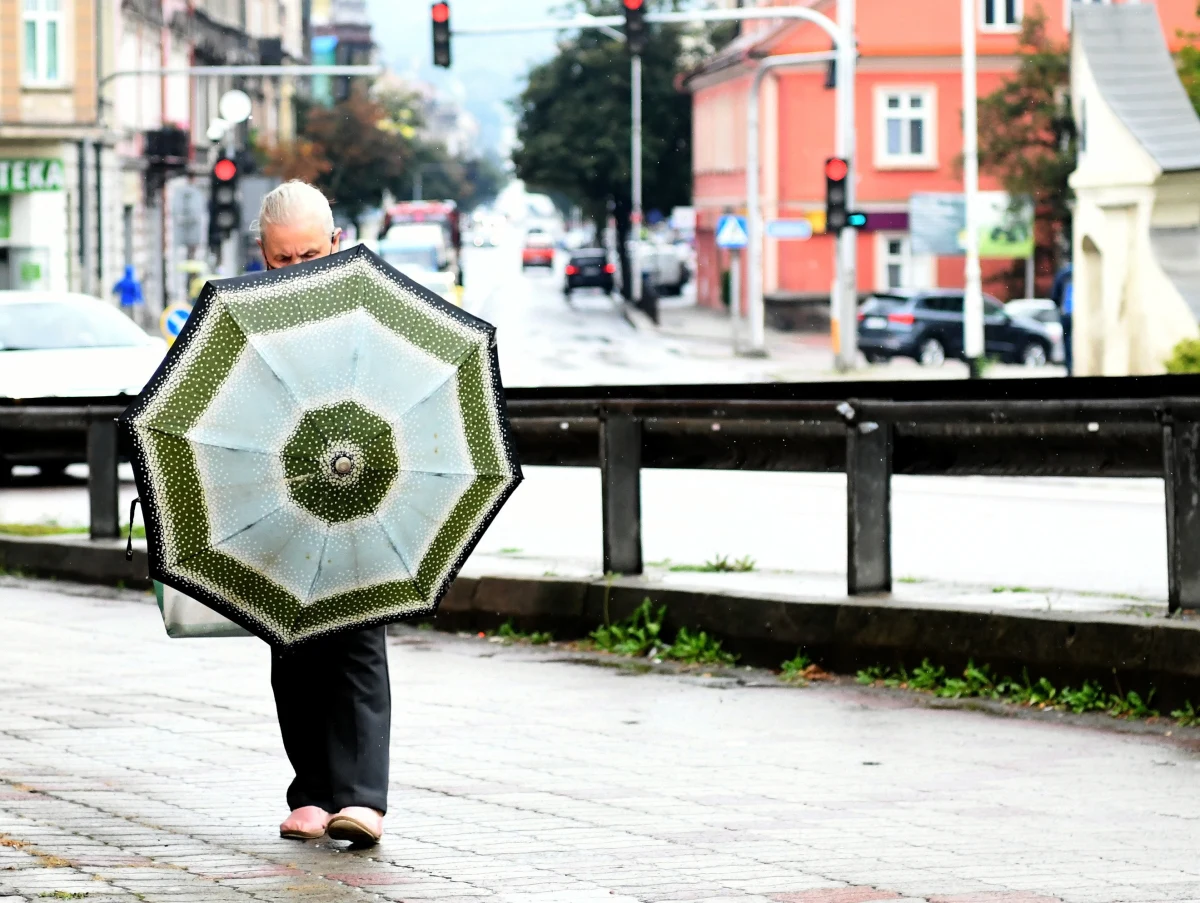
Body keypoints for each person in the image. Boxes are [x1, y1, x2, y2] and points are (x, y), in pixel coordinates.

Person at [253, 180, 391, 846]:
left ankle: (363, 798)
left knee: (358, 635)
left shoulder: (372, 310)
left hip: (360, 489)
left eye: (311, 254)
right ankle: (311, 791)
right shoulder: (244, 320)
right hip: (282, 499)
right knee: (293, 638)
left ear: (336, 243)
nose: (299, 271)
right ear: (262, 253)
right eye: (283, 260)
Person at [1051, 262, 1074, 376]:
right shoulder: (1080, 270)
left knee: (1068, 341)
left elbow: (1054, 296)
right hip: (1079, 314)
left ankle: (1070, 368)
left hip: (1066, 313)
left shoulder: (1062, 274)